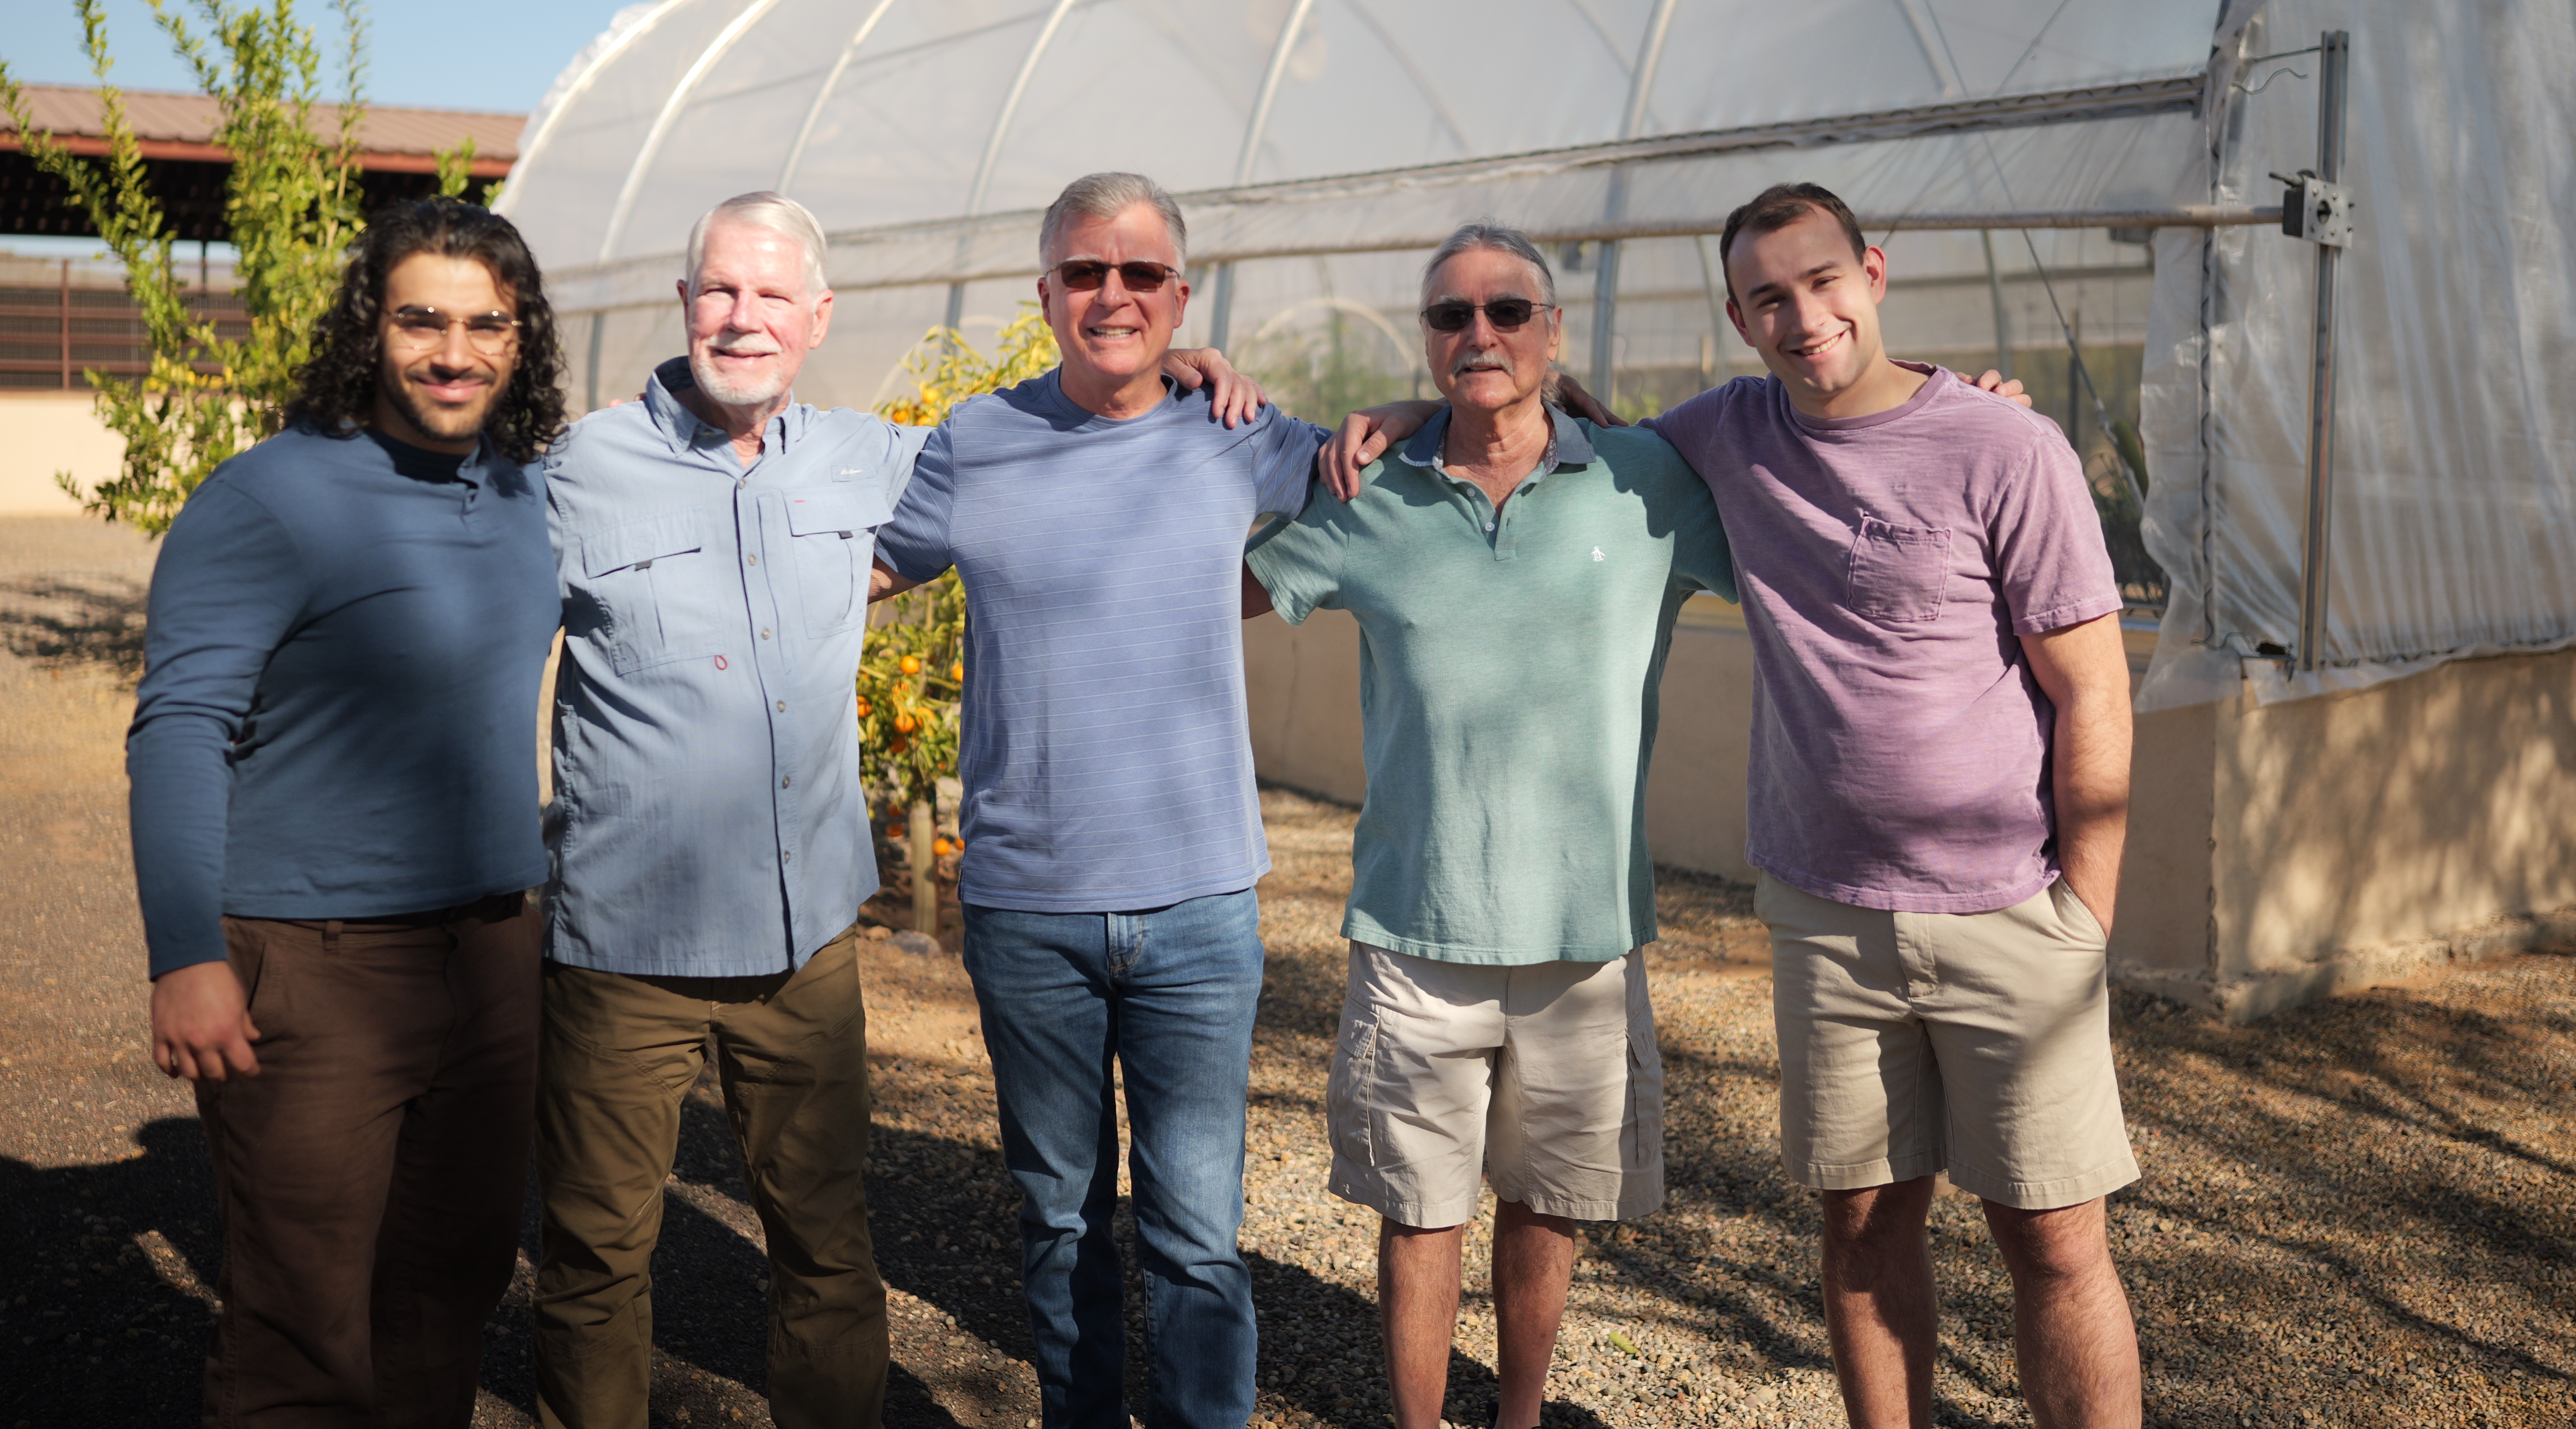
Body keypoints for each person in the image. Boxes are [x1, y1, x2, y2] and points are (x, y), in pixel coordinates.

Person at [1332, 182, 2140, 1427]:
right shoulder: (1728, 436)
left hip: (2012, 912)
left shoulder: (2002, 445)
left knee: (2056, 1244)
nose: (1804, 316)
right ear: (1739, 318)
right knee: (1864, 1237)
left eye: (1822, 282)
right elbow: (1559, 428)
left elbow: (2092, 690)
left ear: (1872, 272)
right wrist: (1428, 407)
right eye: (1771, 297)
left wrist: (2084, 917)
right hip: (1825, 916)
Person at [534, 189, 1264, 1429]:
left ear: (817, 318)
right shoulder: (582, 470)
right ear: (685, 303)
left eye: (773, 296)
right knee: (597, 1258)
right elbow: (467, 645)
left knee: (827, 1242)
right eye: (721, 289)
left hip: (803, 936)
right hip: (622, 940)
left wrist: (1178, 372)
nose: (744, 317)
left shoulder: (879, 456)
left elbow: (1074, 439)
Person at [1238, 224, 1736, 1429]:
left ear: (1552, 333)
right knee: (1421, 1216)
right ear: (1427, 339)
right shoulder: (1369, 492)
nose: (1481, 334)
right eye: (1451, 317)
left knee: (1552, 1204)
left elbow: (1815, 530)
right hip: (1415, 930)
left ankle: (1518, 1416)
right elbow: (1208, 596)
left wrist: (1967, 419)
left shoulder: (1647, 485)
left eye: (1509, 312)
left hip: (1586, 937)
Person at [868, 173, 1326, 1429]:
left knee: (1195, 1236)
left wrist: (1476, 395)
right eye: (1085, 273)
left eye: (1139, 275)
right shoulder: (974, 441)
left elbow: (1385, 481)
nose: (1111, 294)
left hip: (1196, 910)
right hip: (1028, 910)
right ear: (1047, 294)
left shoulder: (1235, 430)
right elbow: (858, 568)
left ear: (1182, 294)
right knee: (1059, 1218)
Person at [129, 198, 566, 1427]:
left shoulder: (527, 490)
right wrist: (186, 955)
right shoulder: (269, 500)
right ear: (368, 328)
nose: (453, 351)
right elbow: (178, 730)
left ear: (520, 339)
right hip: (309, 968)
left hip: (487, 957)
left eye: (487, 324)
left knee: (448, 1298)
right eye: (422, 318)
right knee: (301, 1331)